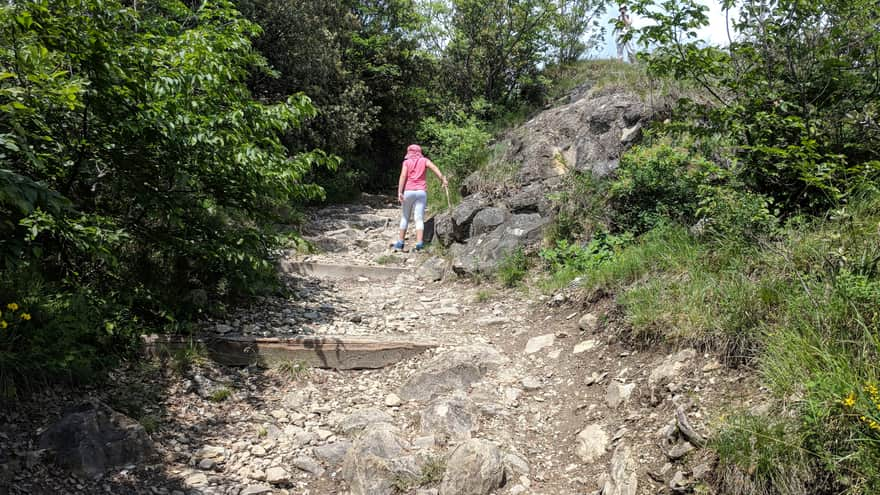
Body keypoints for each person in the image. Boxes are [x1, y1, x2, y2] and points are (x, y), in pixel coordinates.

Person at [393, 144, 447, 251]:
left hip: (409, 191)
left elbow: (403, 176)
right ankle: (419, 244)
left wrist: (400, 192)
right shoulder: (424, 160)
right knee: (419, 219)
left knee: (405, 217)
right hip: (421, 192)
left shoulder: (406, 162)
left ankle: (400, 243)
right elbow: (434, 168)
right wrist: (443, 179)